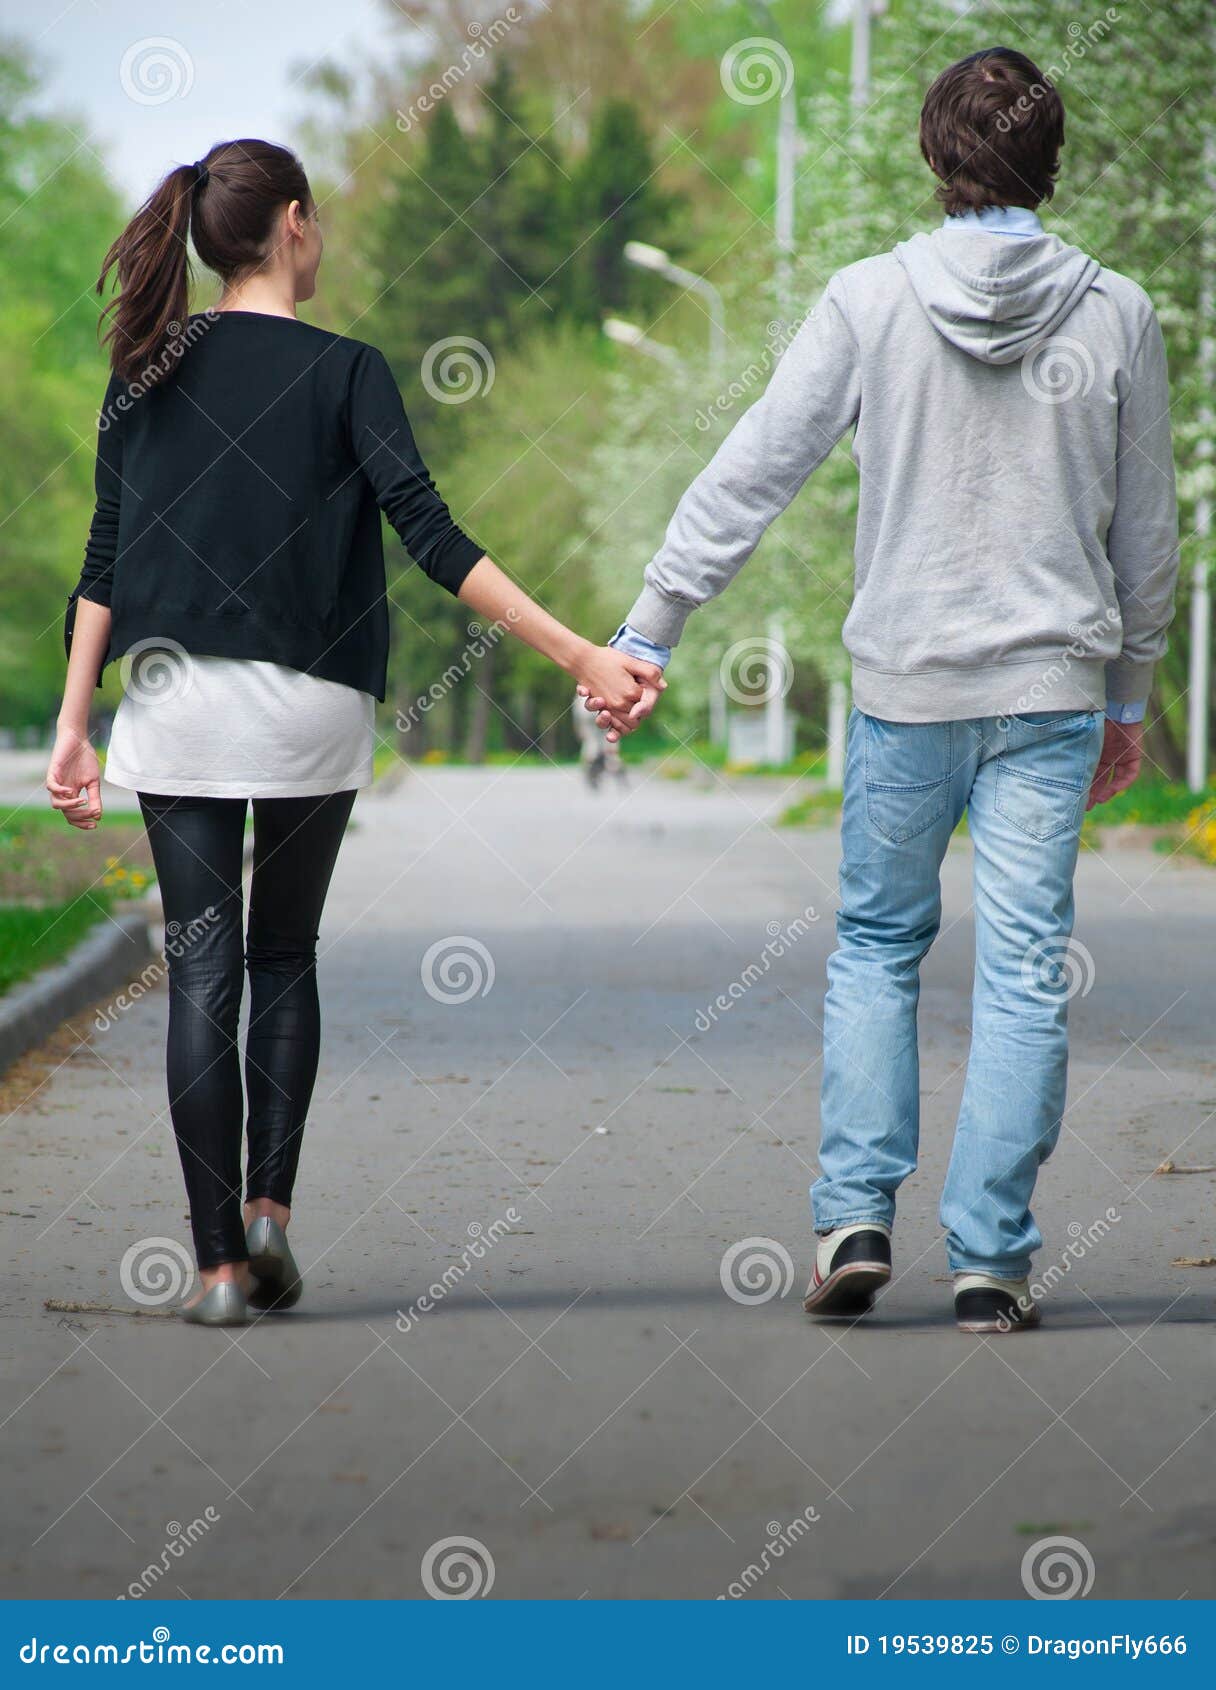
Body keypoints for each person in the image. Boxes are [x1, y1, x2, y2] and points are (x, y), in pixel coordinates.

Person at [592, 49, 1179, 1333]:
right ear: (1051, 163)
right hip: (1048, 691)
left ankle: (854, 1215)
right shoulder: (1119, 310)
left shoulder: (868, 299)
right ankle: (990, 1260)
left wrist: (653, 624)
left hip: (906, 688)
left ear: (935, 159)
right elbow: (1148, 538)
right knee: (1026, 970)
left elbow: (754, 468)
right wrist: (1127, 697)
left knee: (874, 946)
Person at [47, 138, 663, 1328]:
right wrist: (580, 651)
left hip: (172, 705)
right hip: (308, 707)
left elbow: (103, 563)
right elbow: (434, 540)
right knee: (282, 957)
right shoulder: (347, 373)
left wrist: (76, 722)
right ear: (292, 224)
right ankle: (270, 1206)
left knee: (201, 972)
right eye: (315, 221)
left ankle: (218, 1267)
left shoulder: (142, 374)